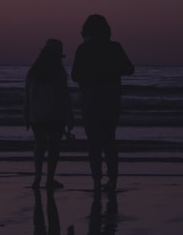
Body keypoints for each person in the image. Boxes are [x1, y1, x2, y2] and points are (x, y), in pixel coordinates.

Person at [71, 14, 134, 192]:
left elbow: (75, 75)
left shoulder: (83, 49)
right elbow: (130, 69)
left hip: (90, 98)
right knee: (109, 140)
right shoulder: (115, 47)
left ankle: (96, 180)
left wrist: (91, 75)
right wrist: (111, 71)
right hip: (111, 98)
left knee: (93, 142)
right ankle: (112, 179)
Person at [24, 38, 74, 189]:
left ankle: (37, 177)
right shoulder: (59, 74)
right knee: (53, 149)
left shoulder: (33, 72)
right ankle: (50, 179)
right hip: (55, 116)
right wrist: (69, 117)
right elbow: (64, 98)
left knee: (39, 147)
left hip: (37, 116)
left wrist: (26, 116)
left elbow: (27, 97)